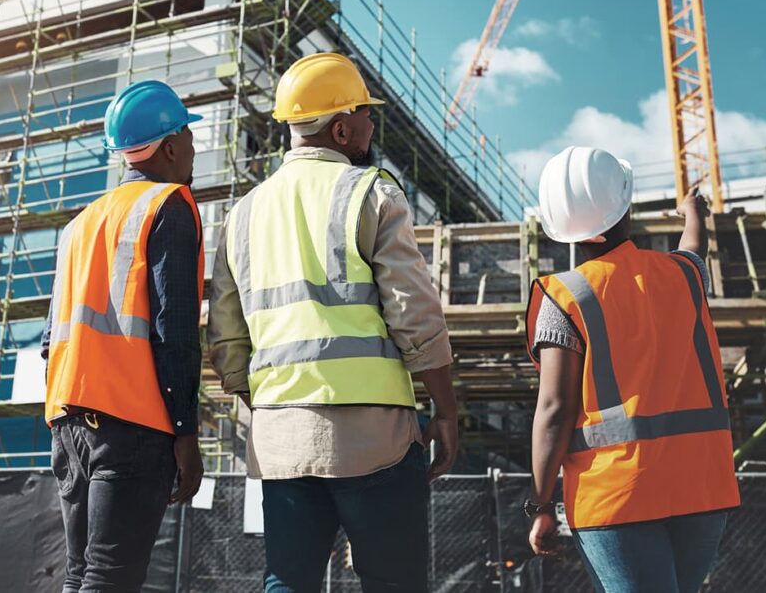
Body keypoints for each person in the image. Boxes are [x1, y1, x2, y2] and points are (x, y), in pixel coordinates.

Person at [209, 52, 458, 593]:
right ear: (341, 128)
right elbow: (413, 313)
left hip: (281, 441)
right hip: (376, 440)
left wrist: (274, 413)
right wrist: (446, 409)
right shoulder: (370, 192)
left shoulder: (242, 215)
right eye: (367, 113)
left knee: (289, 583)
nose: (373, 122)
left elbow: (227, 341)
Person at [524, 146, 740, 593]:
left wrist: (540, 503)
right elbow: (693, 248)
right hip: (701, 486)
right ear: (627, 207)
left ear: (562, 229)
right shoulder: (683, 276)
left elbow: (554, 410)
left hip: (615, 497)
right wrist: (691, 212)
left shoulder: (564, 296)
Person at [41, 80, 206, 592]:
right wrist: (186, 431)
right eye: (190, 139)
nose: (194, 150)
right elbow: (173, 329)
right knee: (112, 577)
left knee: (81, 574)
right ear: (172, 145)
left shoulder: (79, 225)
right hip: (133, 425)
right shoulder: (169, 206)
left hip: (68, 422)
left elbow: (50, 340)